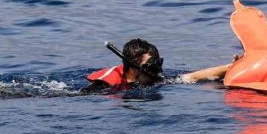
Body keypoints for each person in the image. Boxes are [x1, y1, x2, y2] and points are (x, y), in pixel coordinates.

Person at [82, 38, 232, 93]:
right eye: (150, 66)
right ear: (134, 69)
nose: (156, 72)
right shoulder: (102, 88)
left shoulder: (152, 79)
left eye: (157, 64)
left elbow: (192, 77)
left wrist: (231, 67)